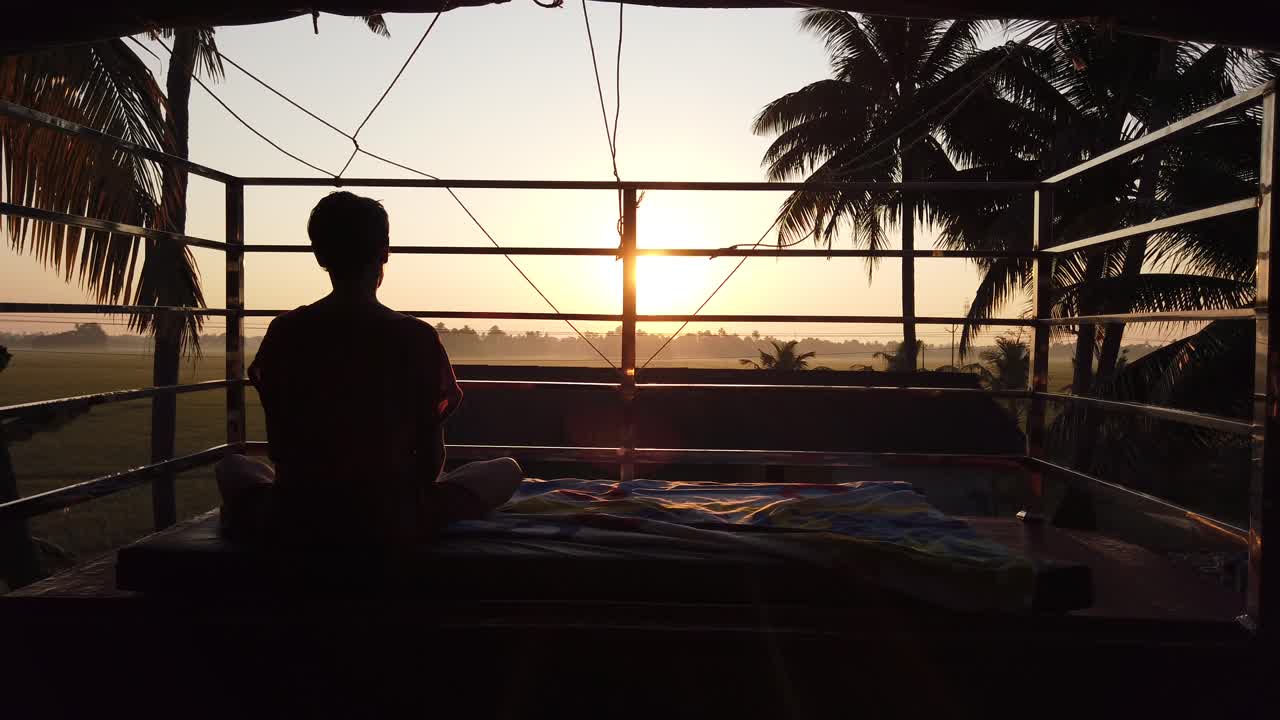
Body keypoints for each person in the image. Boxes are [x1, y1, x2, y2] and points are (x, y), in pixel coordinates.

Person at [215, 191, 522, 547]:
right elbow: (431, 459)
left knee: (232, 467)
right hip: (391, 517)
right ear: (384, 252)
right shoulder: (416, 338)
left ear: (319, 255)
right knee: (506, 470)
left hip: (297, 513)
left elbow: (281, 447)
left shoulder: (285, 333)